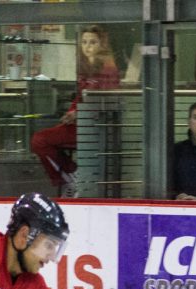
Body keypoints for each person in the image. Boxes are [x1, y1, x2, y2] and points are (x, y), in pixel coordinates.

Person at [31, 25, 119, 198]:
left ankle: (71, 175)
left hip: (94, 125)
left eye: (93, 42)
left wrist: (79, 114)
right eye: (84, 42)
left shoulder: (108, 69)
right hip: (79, 122)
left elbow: (107, 99)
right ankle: (73, 174)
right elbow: (80, 98)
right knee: (42, 140)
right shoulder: (85, 68)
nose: (88, 46)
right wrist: (71, 113)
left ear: (102, 44)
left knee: (39, 140)